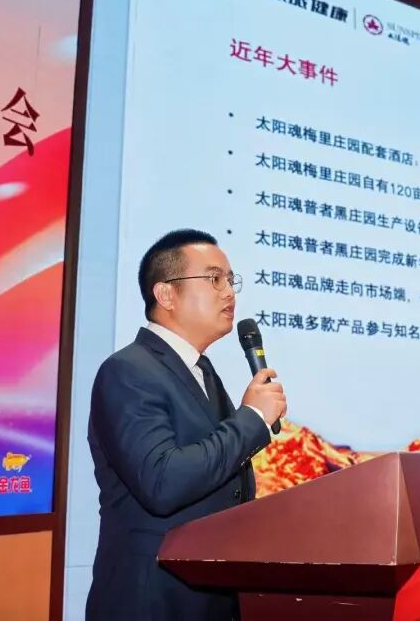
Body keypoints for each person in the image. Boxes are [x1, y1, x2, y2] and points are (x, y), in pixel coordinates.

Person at [86, 229, 286, 621]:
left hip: (212, 596)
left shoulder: (203, 372)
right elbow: (162, 481)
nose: (229, 293)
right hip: (154, 600)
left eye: (230, 280)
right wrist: (252, 419)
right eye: (214, 279)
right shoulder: (127, 371)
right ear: (166, 294)